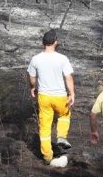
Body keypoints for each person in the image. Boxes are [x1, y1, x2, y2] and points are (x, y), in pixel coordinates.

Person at [27, 29, 75, 167]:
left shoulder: (35, 59)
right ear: (55, 42)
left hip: (44, 96)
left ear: (43, 43)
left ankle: (47, 156)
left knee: (45, 126)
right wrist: (72, 93)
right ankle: (61, 136)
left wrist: (33, 87)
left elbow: (31, 77)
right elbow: (68, 77)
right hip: (60, 96)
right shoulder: (62, 59)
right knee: (64, 115)